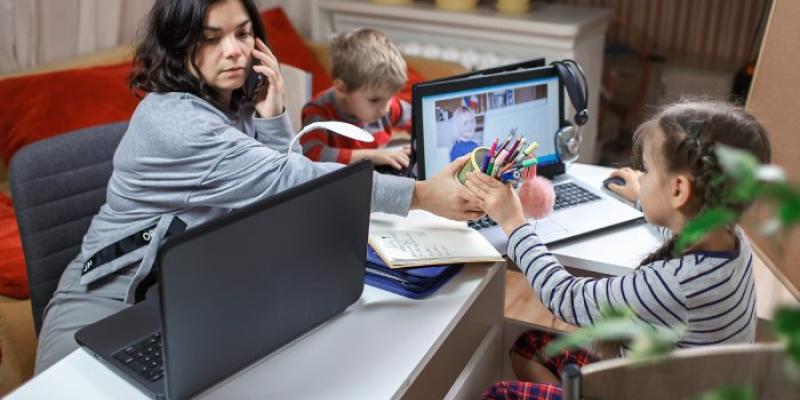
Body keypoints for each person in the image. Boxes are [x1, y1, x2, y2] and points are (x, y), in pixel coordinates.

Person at [34, 0, 481, 374]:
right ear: (178, 44)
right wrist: (421, 195)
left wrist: (270, 114)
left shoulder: (232, 99)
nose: (234, 51)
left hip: (187, 291)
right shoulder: (177, 122)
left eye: (244, 34)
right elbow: (290, 182)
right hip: (108, 301)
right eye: (211, 38)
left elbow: (277, 198)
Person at [461, 100, 771, 399]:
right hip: (684, 385)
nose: (642, 176)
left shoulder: (673, 284)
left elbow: (565, 297)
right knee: (530, 346)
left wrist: (514, 223)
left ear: (678, 190)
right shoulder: (733, 239)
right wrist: (644, 198)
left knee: (497, 394)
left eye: (647, 170)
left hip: (643, 389)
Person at [300, 28, 411, 171]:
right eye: (374, 100)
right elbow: (311, 154)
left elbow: (419, 117)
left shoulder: (384, 105)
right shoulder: (319, 112)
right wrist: (371, 155)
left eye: (390, 98)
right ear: (341, 89)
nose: (385, 110)